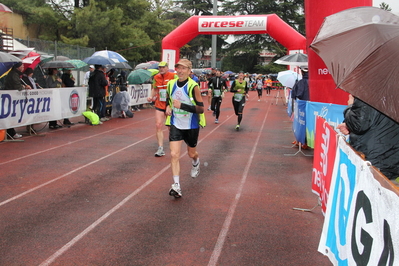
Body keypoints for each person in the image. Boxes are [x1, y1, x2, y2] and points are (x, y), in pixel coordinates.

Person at [165, 59, 205, 198]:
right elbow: (168, 102)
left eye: (183, 68)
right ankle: (176, 186)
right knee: (174, 154)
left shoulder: (193, 86)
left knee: (191, 153)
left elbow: (200, 109)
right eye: (178, 68)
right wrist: (168, 107)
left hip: (191, 125)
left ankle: (196, 162)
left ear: (189, 71)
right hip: (176, 123)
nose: (180, 71)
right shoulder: (170, 84)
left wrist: (181, 106)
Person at [337, 95, 399, 180]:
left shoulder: (368, 90)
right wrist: (348, 125)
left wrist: (350, 106)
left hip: (373, 157)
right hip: (391, 156)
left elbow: (358, 124)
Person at [147, 61, 177, 157]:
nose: (161, 69)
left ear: (167, 67)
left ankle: (174, 146)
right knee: (158, 125)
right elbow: (155, 88)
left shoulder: (173, 76)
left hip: (170, 104)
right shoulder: (156, 77)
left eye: (163, 67)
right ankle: (160, 148)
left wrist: (171, 103)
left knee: (170, 127)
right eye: (160, 67)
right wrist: (151, 96)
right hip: (160, 104)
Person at [4, 62, 32, 138]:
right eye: (21, 66)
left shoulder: (15, 74)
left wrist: (22, 85)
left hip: (11, 98)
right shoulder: (14, 75)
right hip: (11, 98)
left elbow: (17, 85)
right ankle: (11, 133)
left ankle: (11, 132)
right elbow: (17, 87)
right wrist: (24, 87)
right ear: (17, 67)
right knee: (9, 115)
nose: (23, 67)